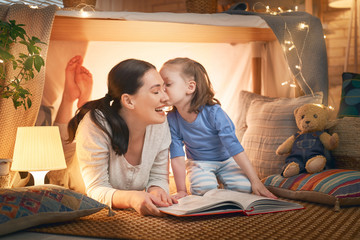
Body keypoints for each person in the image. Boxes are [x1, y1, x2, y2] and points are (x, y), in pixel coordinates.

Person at [67, 58, 176, 216]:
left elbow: (158, 176)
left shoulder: (159, 123)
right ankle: (70, 97)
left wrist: (157, 190)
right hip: (68, 171)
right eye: (156, 91)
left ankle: (83, 98)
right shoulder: (96, 125)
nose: (166, 98)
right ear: (128, 101)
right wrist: (131, 198)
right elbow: (96, 189)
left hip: (93, 138)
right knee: (61, 142)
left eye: (164, 89)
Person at [159, 57, 277, 200]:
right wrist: (181, 190)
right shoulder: (171, 119)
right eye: (160, 85)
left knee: (243, 188)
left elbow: (234, 147)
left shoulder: (214, 113)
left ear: (190, 87)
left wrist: (256, 181)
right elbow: (177, 155)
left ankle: (222, 180)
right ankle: (211, 181)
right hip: (199, 162)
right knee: (203, 189)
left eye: (167, 84)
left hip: (226, 160)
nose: (161, 89)